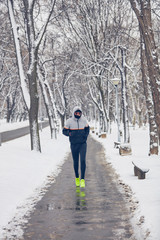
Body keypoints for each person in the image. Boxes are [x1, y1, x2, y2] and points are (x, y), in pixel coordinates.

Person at [62, 106, 90, 188]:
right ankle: (77, 177)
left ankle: (82, 179)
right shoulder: (69, 121)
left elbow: (87, 129)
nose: (78, 114)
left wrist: (85, 136)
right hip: (74, 144)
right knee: (76, 161)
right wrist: (70, 134)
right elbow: (64, 131)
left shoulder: (84, 120)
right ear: (74, 113)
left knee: (83, 160)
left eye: (79, 113)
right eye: (76, 113)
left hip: (82, 144)